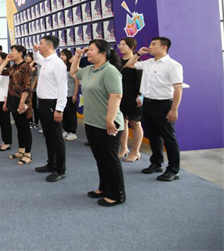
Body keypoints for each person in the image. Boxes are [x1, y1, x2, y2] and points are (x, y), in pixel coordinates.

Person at [71, 40, 126, 207]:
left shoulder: (110, 71)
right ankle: (104, 188)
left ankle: (117, 195)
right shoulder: (89, 69)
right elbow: (73, 73)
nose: (88, 52)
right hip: (91, 122)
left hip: (108, 124)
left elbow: (116, 96)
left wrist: (109, 120)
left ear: (103, 53)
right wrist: (77, 56)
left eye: (91, 49)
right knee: (100, 159)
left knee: (110, 160)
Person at [125, 37, 184, 181]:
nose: (150, 46)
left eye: (153, 44)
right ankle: (156, 163)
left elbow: (178, 88)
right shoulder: (148, 63)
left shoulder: (173, 65)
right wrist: (139, 53)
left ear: (164, 47)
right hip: (148, 104)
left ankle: (173, 170)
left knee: (168, 138)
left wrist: (174, 109)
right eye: (150, 44)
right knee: (153, 136)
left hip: (164, 105)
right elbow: (129, 64)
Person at [33, 35, 68, 182]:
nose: (38, 45)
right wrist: (35, 51)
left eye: (41, 43)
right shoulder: (46, 60)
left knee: (56, 138)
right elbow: (37, 59)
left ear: (49, 46)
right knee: (48, 136)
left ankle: (60, 169)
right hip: (43, 103)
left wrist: (59, 109)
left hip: (53, 105)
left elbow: (63, 87)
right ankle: (51, 164)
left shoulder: (58, 63)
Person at [0, 45, 33, 164]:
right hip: (13, 99)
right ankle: (21, 150)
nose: (11, 53)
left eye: (13, 51)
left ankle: (28, 153)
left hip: (22, 100)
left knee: (25, 127)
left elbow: (27, 86)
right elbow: (0, 72)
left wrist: (22, 103)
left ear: (21, 53)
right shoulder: (14, 66)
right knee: (18, 126)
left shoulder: (26, 67)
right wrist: (6, 60)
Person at [117, 38, 144, 162]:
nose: (120, 47)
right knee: (122, 122)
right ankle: (124, 148)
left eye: (124, 45)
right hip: (119, 96)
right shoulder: (117, 61)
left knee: (135, 123)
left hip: (133, 96)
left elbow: (142, 81)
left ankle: (136, 152)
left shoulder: (138, 62)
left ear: (131, 47)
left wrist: (141, 96)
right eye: (120, 44)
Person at [60, 49, 80, 141]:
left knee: (71, 113)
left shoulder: (72, 66)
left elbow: (76, 81)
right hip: (62, 94)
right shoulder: (61, 66)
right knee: (64, 113)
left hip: (70, 93)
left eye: (63, 55)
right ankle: (66, 130)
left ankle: (72, 132)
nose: (61, 56)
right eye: (61, 54)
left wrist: (75, 94)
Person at [26, 52, 40, 130]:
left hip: (33, 90)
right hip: (27, 89)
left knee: (34, 107)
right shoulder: (26, 65)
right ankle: (30, 122)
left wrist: (31, 89)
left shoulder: (36, 67)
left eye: (29, 56)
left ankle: (36, 123)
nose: (27, 58)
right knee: (29, 106)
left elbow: (35, 79)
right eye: (26, 56)